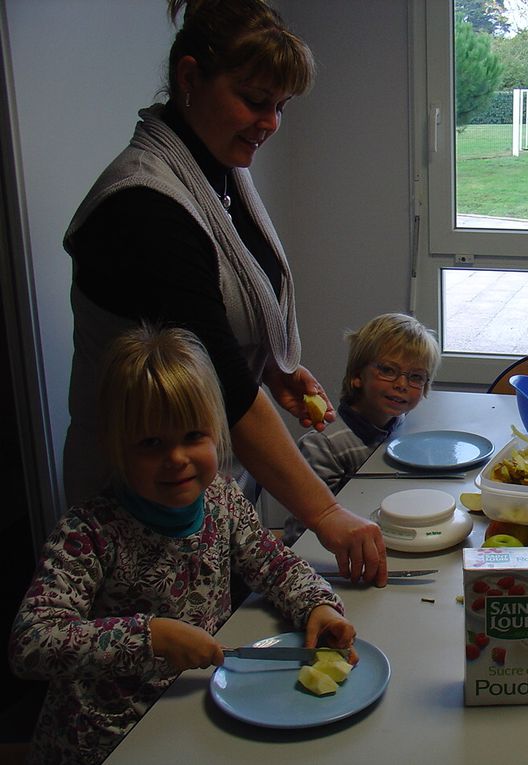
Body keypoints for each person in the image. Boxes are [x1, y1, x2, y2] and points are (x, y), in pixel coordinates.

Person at [61, 0, 387, 584]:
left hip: (201, 501)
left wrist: (270, 366)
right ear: (190, 78)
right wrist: (326, 512)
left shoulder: (216, 169)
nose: (271, 123)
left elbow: (219, 316)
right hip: (133, 513)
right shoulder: (144, 208)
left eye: (281, 107)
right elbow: (221, 384)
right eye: (256, 100)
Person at [9, 325, 359, 765]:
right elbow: (31, 642)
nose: (177, 459)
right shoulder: (88, 533)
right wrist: (148, 636)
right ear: (115, 446)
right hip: (106, 740)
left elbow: (276, 565)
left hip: (192, 713)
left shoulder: (223, 500)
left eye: (194, 436)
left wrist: (317, 606)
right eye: (151, 443)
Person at [285, 313, 441, 544]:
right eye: (388, 370)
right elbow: (302, 534)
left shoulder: (402, 425)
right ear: (357, 375)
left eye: (416, 377)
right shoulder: (324, 445)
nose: (401, 384)